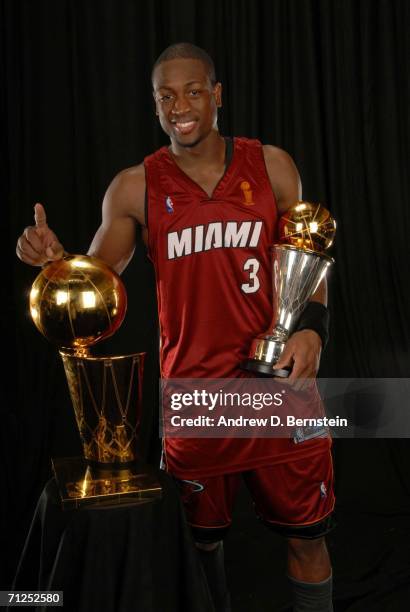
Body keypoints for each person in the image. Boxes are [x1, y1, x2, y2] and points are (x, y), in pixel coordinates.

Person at [17, 43, 335, 612]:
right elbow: (99, 278)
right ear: (155, 107)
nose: (179, 106)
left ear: (217, 95)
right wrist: (55, 261)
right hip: (195, 401)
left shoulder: (272, 165)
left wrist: (311, 330)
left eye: (192, 92)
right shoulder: (135, 186)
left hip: (280, 394)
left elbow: (306, 257)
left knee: (307, 542)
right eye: (166, 97)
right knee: (200, 553)